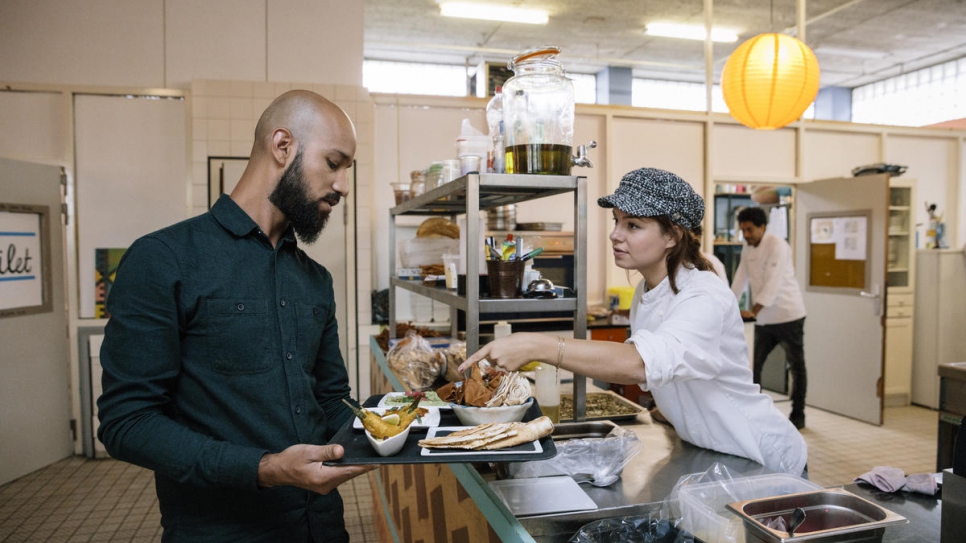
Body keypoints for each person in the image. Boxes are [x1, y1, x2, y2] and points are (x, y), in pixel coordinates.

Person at [97, 90, 374, 542]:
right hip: (222, 531)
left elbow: (330, 398)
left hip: (320, 527)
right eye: (333, 163)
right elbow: (127, 422)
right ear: (282, 146)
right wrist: (266, 469)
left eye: (348, 170)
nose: (343, 185)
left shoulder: (315, 280)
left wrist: (406, 424)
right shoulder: (163, 259)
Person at [459, 167, 807, 475]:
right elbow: (673, 364)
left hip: (761, 456)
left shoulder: (704, 297)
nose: (615, 234)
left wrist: (537, 344)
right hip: (710, 450)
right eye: (617, 222)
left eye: (633, 225)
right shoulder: (647, 290)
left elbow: (639, 363)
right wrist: (676, 409)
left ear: (672, 236)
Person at [731, 206, 808, 430]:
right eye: (743, 230)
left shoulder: (778, 245)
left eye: (750, 230)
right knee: (753, 366)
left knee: (797, 367)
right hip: (764, 319)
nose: (746, 234)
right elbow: (740, 278)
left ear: (763, 227)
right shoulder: (748, 248)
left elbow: (772, 285)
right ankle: (756, 415)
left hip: (788, 314)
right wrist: (727, 305)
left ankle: (798, 414)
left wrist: (753, 311)